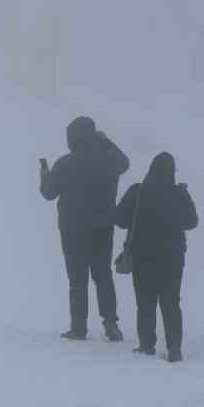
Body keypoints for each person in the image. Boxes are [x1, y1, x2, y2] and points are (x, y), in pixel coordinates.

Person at [40, 116, 130, 341]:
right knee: (103, 276)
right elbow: (125, 162)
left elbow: (48, 193)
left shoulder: (65, 163)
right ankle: (111, 325)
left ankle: (78, 327)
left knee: (77, 278)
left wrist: (44, 174)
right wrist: (106, 141)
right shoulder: (109, 161)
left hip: (72, 230)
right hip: (102, 227)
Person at [114, 152, 198, 362]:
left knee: (145, 302)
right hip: (172, 258)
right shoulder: (178, 194)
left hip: (142, 256)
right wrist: (185, 196)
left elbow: (120, 219)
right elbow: (191, 222)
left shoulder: (138, 191)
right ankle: (174, 348)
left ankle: (146, 344)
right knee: (171, 302)